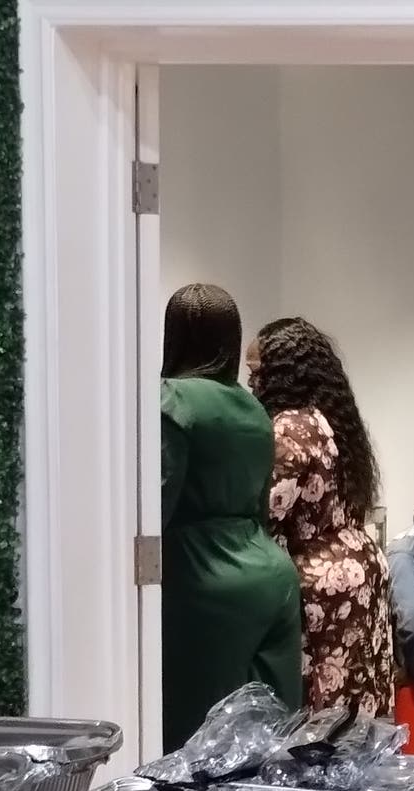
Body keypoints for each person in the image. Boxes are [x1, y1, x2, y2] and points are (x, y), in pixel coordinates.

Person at [156, 284, 301, 749]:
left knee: (197, 747)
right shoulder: (254, 408)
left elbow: (159, 502)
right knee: (268, 739)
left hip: (202, 579)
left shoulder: (172, 400)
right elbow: (260, 503)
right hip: (271, 577)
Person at [245, 317, 397, 719]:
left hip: (322, 584)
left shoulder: (290, 428)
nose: (251, 384)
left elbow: (266, 510)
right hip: (361, 566)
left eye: (256, 373)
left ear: (281, 374)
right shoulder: (333, 419)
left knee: (322, 711)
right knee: (358, 704)